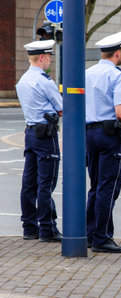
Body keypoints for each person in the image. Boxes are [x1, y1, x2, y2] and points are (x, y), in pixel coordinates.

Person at [85, 32, 121, 253]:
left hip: (89, 134)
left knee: (95, 186)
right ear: (119, 53)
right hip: (109, 136)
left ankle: (90, 233)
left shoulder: (87, 73)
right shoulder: (117, 76)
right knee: (108, 187)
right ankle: (101, 238)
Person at [15, 40, 63, 242]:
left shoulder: (23, 80)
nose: (50, 60)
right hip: (46, 136)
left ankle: (29, 228)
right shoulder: (45, 81)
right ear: (42, 57)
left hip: (30, 134)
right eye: (49, 56)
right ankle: (48, 229)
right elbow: (61, 108)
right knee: (46, 184)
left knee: (29, 182)